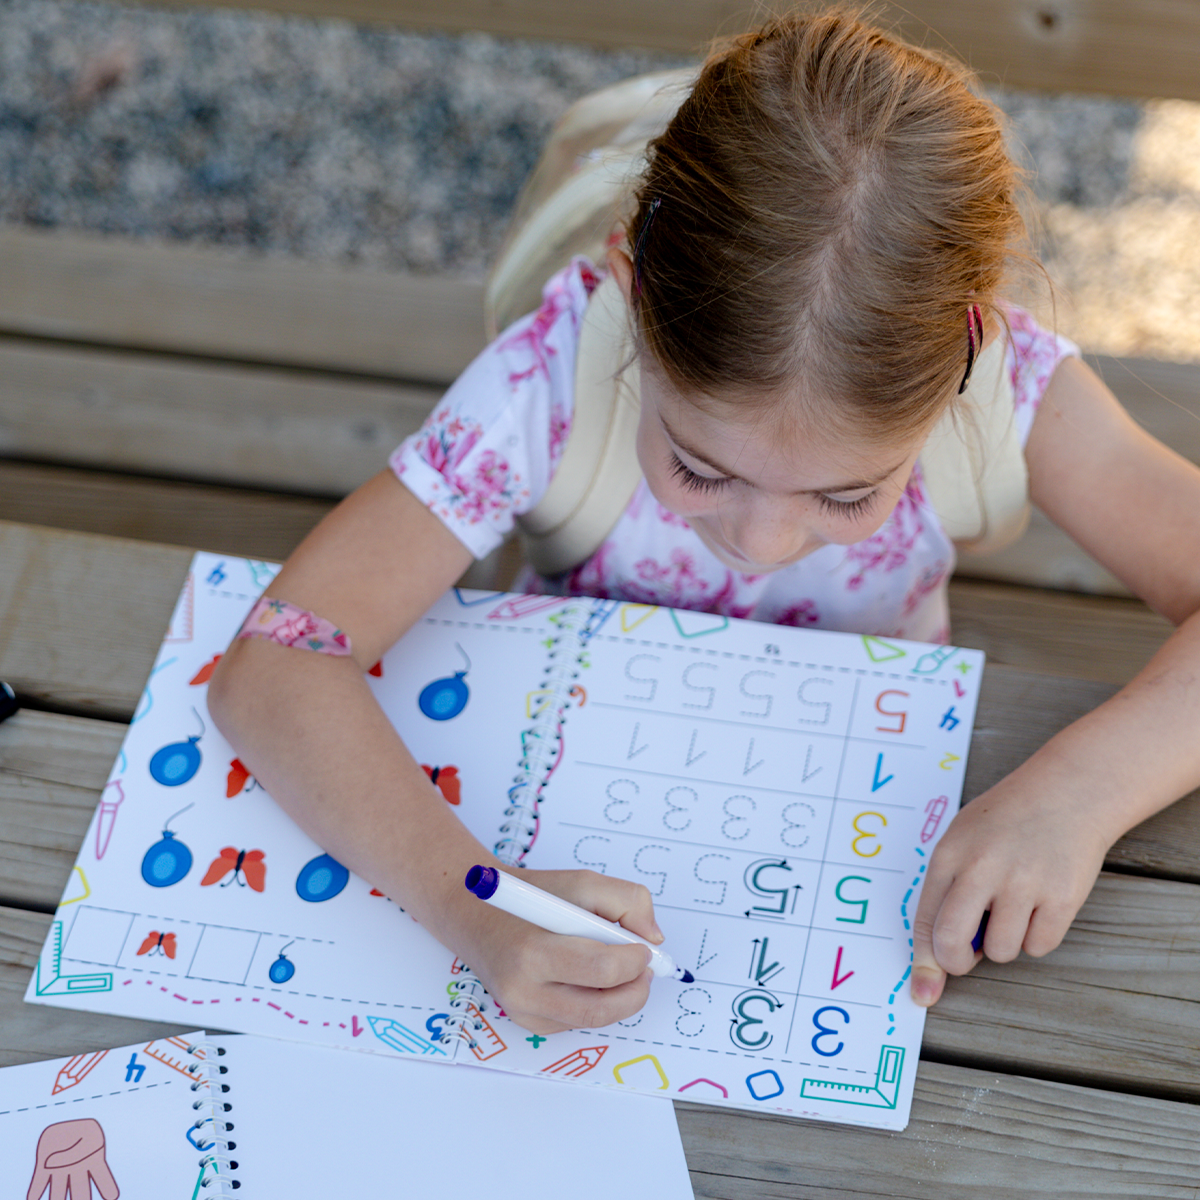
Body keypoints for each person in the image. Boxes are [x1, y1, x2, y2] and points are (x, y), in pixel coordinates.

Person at [208, 8, 1200, 1032]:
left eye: (846, 494)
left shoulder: (1013, 384)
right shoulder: (551, 380)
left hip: (847, 824)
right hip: (571, 805)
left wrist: (1076, 796)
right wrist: (481, 900)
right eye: (697, 466)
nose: (761, 543)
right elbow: (277, 665)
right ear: (630, 296)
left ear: (965, 357)